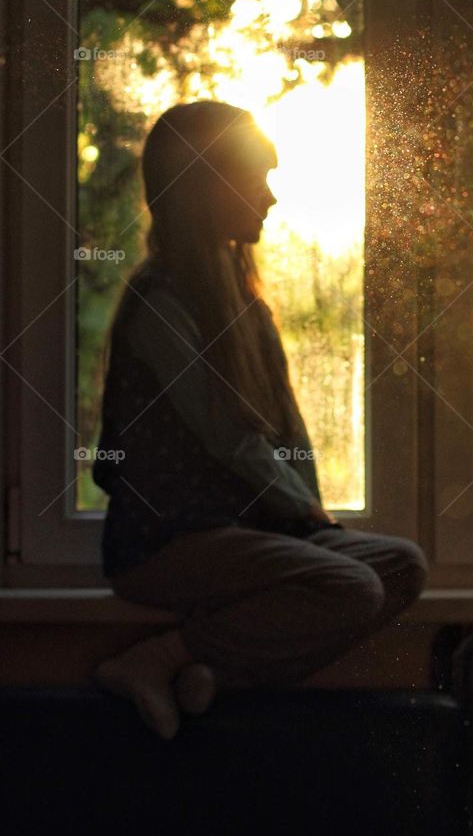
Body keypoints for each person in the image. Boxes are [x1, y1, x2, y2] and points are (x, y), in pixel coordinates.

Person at [92, 100, 428, 739]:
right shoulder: (161, 305)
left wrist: (314, 513)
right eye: (256, 179)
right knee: (351, 588)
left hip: (241, 532)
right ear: (204, 188)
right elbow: (230, 436)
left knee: (403, 566)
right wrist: (304, 517)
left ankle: (214, 675)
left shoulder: (246, 308)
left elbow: (288, 435)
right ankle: (152, 660)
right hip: (165, 544)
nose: (270, 198)